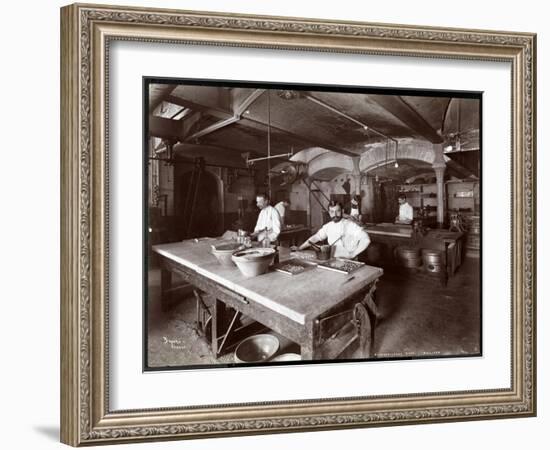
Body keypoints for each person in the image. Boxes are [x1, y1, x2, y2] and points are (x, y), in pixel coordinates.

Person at [295, 201, 370, 259]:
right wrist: (300, 248)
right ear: (329, 213)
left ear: (342, 211)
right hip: (332, 260)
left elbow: (366, 240)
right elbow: (316, 237)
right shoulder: (328, 226)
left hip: (349, 260)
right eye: (332, 212)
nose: (335, 214)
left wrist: (353, 254)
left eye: (337, 211)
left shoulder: (350, 225)